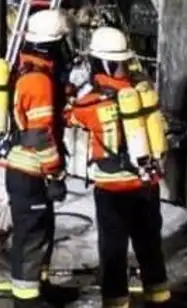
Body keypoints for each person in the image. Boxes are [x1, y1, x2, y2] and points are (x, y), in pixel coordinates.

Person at [66, 27, 170, 308]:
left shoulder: (92, 101)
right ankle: (159, 299)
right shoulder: (141, 90)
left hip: (112, 190)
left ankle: (116, 303)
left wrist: (75, 86)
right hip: (146, 186)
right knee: (150, 250)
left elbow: (69, 116)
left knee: (113, 255)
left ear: (99, 62)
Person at [0, 9, 72, 307]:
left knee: (42, 233)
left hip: (31, 169)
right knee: (30, 238)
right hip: (32, 171)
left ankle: (41, 288)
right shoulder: (38, 81)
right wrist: (56, 173)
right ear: (51, 45)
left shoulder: (33, 71)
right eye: (63, 41)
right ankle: (26, 300)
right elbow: (40, 136)